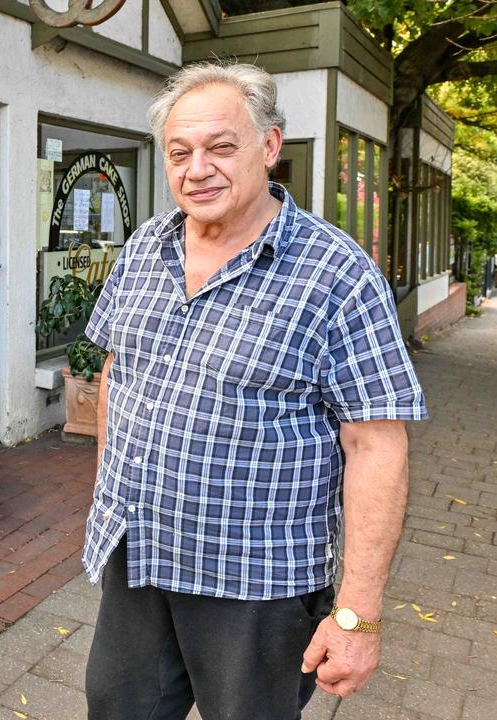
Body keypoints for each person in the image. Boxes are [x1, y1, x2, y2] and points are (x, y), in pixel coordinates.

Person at [82, 62, 427, 720]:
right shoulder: (142, 249)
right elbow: (116, 373)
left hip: (256, 584)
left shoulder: (336, 273)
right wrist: (107, 493)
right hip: (140, 554)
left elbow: (376, 445)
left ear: (269, 146)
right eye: (179, 152)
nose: (197, 168)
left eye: (220, 146)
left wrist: (357, 617)